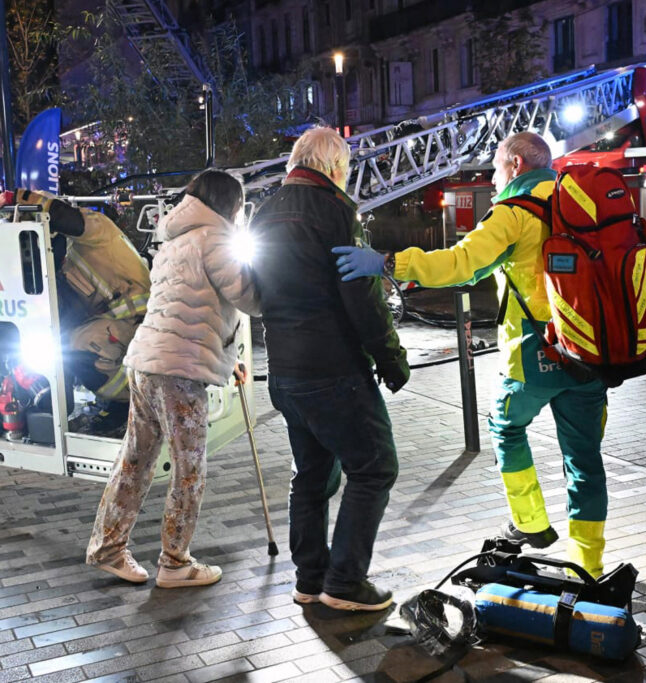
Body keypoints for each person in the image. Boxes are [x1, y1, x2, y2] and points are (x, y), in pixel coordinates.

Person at [334, 132, 611, 578]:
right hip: (592, 352)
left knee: (506, 427)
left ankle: (530, 523)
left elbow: (461, 263)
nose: (494, 175)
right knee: (585, 462)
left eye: (498, 166)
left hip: (534, 356)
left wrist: (388, 262)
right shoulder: (583, 203)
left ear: (517, 165)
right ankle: (589, 566)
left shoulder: (516, 212)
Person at [249, 126, 409, 611]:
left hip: (285, 371)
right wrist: (391, 358)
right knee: (375, 467)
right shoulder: (337, 211)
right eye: (346, 170)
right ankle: (344, 583)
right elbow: (360, 297)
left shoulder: (265, 211)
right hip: (334, 369)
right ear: (335, 167)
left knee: (312, 476)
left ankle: (309, 579)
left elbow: (258, 291)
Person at [85, 169, 259, 588]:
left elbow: (189, 309)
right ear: (229, 205)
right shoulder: (215, 239)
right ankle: (175, 563)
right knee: (190, 467)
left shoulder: (174, 241)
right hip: (177, 372)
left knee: (136, 459)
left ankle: (108, 548)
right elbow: (250, 297)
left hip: (146, 363)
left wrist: (223, 355)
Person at [0, 189, 151, 436]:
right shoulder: (63, 256)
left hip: (133, 328)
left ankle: (122, 406)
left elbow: (60, 214)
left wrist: (18, 198)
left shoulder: (97, 231)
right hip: (115, 329)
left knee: (70, 344)